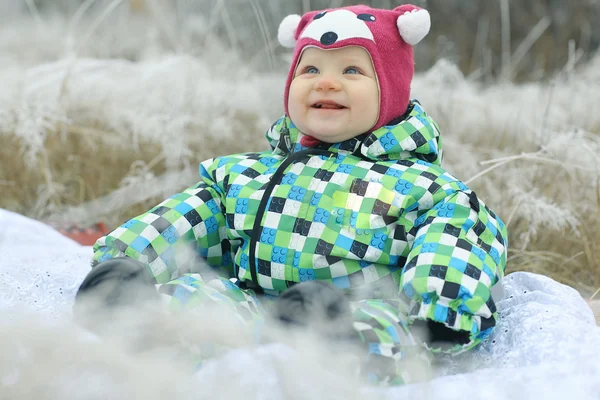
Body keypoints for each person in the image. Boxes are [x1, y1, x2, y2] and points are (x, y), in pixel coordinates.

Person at [74, 4, 508, 385]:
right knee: (197, 298)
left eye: (352, 70)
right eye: (310, 69)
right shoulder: (248, 171)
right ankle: (135, 318)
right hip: (250, 296)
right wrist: (127, 256)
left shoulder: (421, 187)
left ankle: (331, 350)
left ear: (391, 91)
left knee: (374, 332)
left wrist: (441, 311)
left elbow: (455, 235)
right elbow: (196, 215)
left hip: (357, 307)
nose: (326, 83)